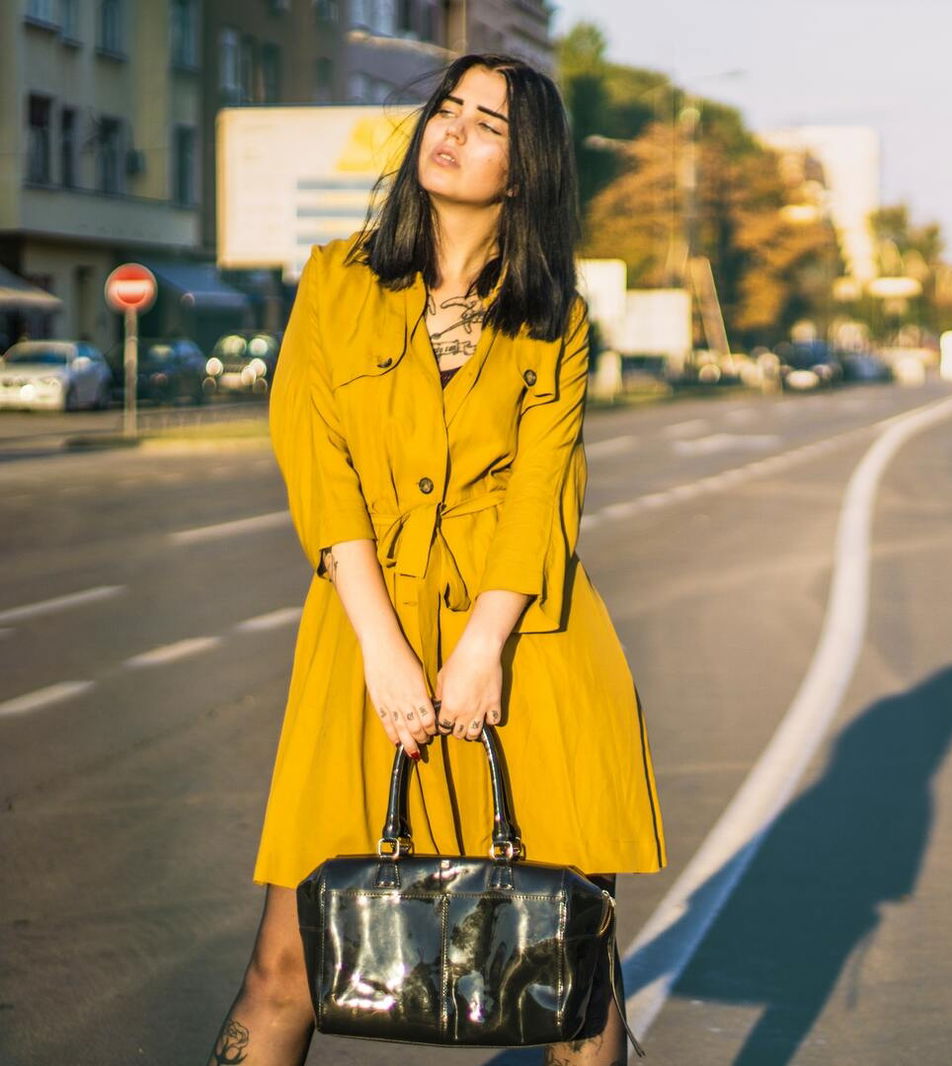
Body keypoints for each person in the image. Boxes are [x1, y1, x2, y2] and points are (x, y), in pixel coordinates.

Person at [206, 54, 665, 1066]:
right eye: (446, 109)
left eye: (488, 124)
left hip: (529, 646)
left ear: (527, 167)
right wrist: (384, 649)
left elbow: (546, 497)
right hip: (364, 630)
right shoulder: (335, 282)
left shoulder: (558, 323)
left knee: (570, 980)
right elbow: (316, 465)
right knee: (284, 970)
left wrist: (480, 648)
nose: (451, 131)